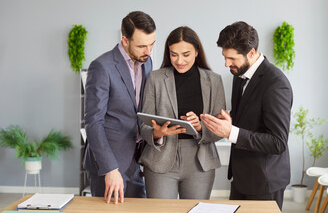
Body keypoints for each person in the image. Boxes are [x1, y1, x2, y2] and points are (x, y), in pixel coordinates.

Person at [200, 21, 293, 210]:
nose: (226, 64)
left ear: (251, 52)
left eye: (232, 58)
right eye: (224, 57)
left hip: (265, 182)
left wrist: (231, 132)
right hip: (242, 177)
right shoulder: (239, 73)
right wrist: (227, 119)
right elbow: (248, 115)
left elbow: (278, 142)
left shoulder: (276, 84)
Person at [139, 26, 226, 199]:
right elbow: (143, 126)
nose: (179, 60)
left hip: (200, 162)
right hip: (160, 160)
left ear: (196, 52)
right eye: (173, 54)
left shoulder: (214, 81)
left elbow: (221, 130)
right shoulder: (156, 78)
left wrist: (200, 127)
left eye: (186, 54)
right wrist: (158, 133)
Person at [83, 11, 156, 204]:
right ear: (125, 40)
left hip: (136, 159)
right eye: (141, 45)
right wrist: (110, 168)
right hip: (108, 162)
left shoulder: (147, 62)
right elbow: (93, 122)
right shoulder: (101, 66)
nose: (148, 51)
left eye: (152, 44)